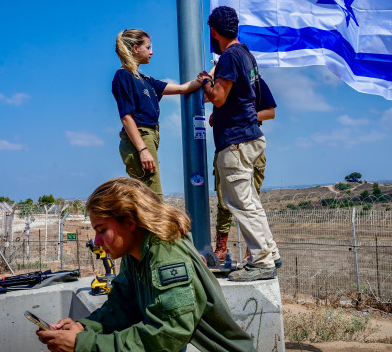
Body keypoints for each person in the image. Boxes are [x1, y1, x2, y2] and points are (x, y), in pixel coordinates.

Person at [36, 177, 257, 352]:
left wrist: (82, 344)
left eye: (102, 230)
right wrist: (84, 327)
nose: (96, 241)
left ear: (130, 222)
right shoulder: (136, 254)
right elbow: (122, 306)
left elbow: (168, 334)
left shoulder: (167, 254)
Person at [198, 6, 281, 282]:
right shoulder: (246, 55)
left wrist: (205, 82)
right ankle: (270, 252)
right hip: (250, 136)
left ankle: (260, 262)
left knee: (241, 204)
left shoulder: (229, 57)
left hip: (235, 141)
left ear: (213, 31)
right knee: (251, 202)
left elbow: (219, 97)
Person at [112, 29, 202, 200]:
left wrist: (210, 73)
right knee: (154, 200)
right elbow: (126, 117)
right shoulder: (123, 76)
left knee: (148, 199)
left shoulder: (145, 79)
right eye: (148, 47)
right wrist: (143, 149)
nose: (151, 52)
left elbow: (183, 88)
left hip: (151, 136)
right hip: (141, 137)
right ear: (135, 49)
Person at [212, 75, 279, 266]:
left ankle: (256, 252)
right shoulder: (220, 86)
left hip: (247, 145)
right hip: (227, 146)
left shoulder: (254, 82)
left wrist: (245, 118)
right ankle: (221, 248)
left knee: (250, 202)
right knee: (224, 202)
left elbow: (270, 112)